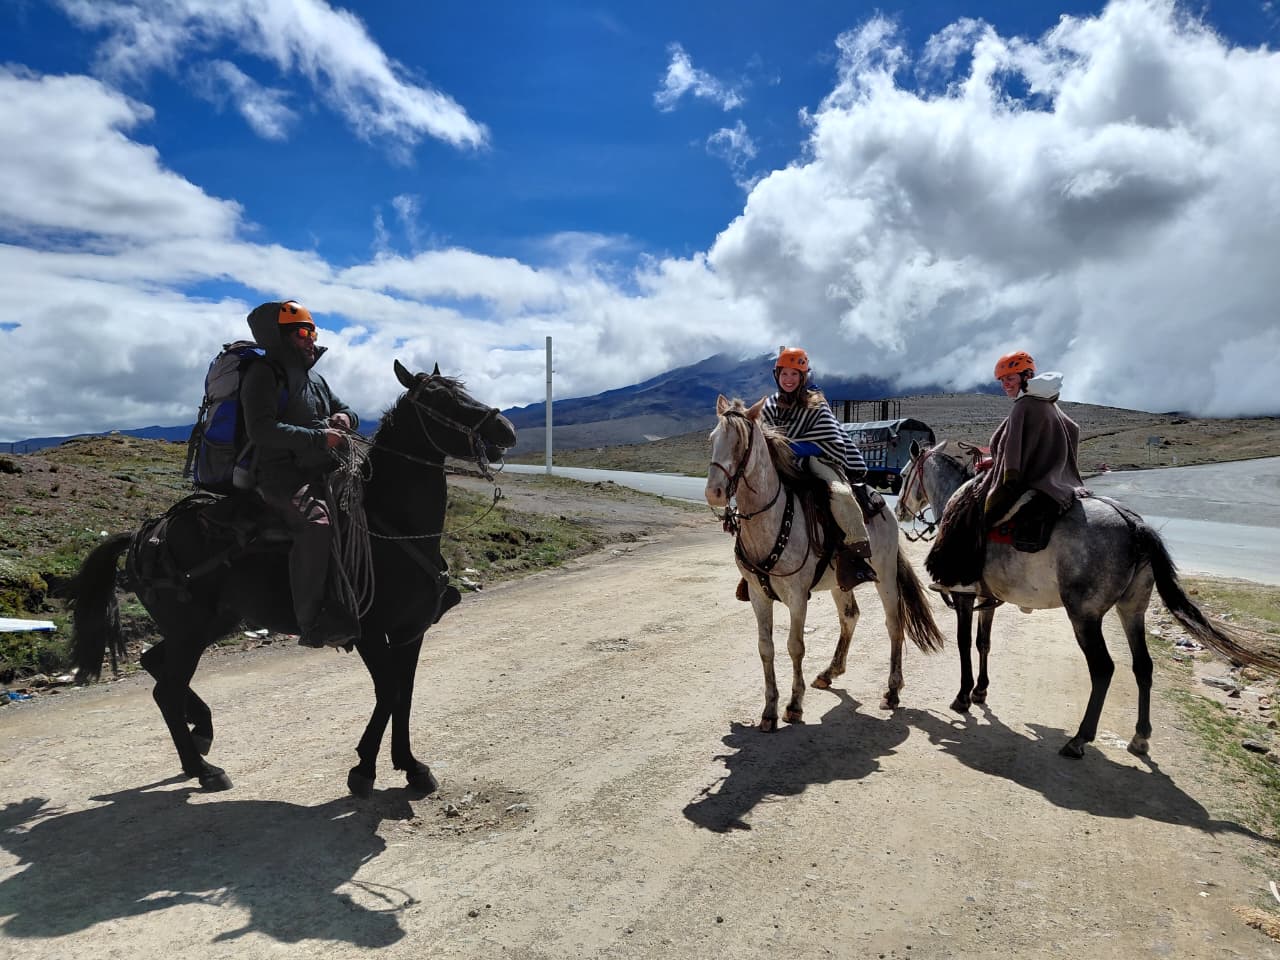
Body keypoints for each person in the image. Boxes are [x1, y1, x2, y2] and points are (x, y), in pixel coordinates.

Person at [240, 300, 361, 649]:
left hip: (322, 469)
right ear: (280, 337)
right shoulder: (264, 374)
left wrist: (346, 420)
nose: (311, 340)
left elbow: (347, 408)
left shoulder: (315, 377)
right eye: (303, 333)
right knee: (316, 525)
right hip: (281, 476)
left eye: (313, 332)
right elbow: (260, 429)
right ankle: (312, 621)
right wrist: (318, 438)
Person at [931, 349, 1088, 608]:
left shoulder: (1023, 406)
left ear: (1027, 376)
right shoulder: (1049, 403)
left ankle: (963, 580)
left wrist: (1007, 473)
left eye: (1010, 379)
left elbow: (1015, 455)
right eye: (1002, 380)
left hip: (1028, 481)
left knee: (968, 516)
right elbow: (1071, 429)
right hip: (1060, 481)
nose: (1005, 385)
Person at [760, 346, 878, 590]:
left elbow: (833, 443)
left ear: (803, 377)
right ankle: (752, 563)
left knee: (841, 494)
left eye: (794, 374)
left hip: (818, 460)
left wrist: (795, 448)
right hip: (781, 464)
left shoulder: (816, 404)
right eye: (784, 374)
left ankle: (854, 554)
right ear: (777, 376)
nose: (789, 380)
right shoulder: (769, 406)